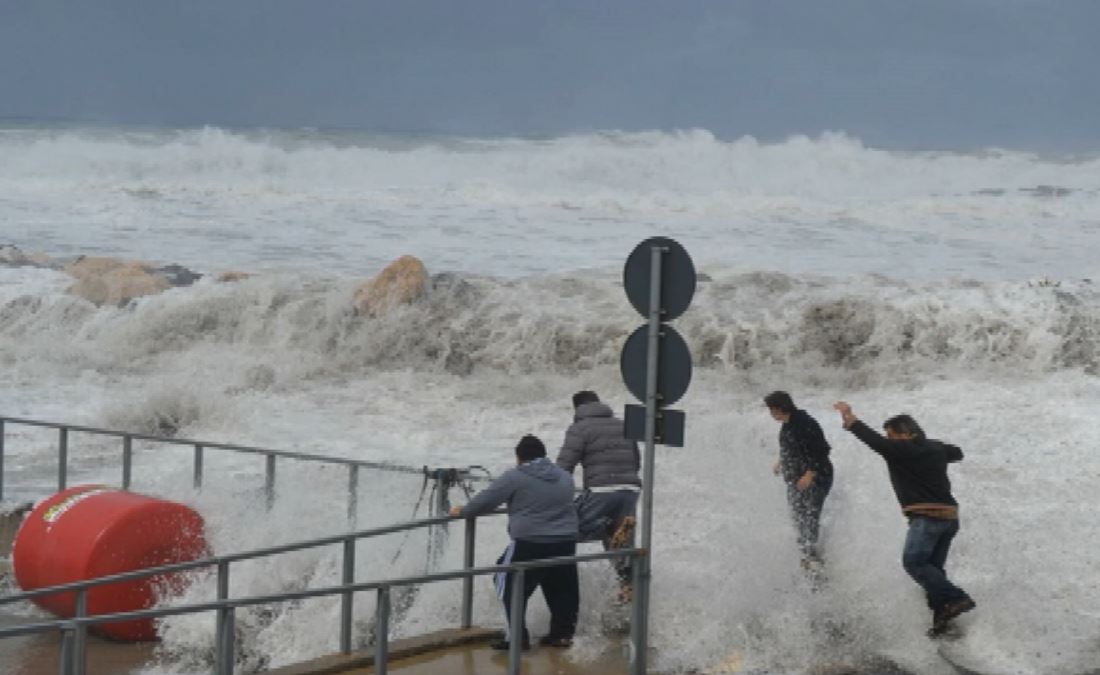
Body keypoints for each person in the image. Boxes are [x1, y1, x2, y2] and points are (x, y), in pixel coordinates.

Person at [832, 401, 976, 636]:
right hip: (950, 518)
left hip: (927, 518)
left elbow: (875, 442)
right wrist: (929, 445)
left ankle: (957, 598)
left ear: (907, 433)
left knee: (914, 563)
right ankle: (943, 617)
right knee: (933, 571)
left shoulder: (900, 450)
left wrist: (852, 423)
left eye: (892, 435)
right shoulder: (935, 448)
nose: (889, 439)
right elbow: (957, 452)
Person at [450, 434, 579, 650]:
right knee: (562, 587)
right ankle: (562, 635)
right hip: (565, 541)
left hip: (530, 542)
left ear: (519, 458)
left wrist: (463, 511)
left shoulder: (516, 476)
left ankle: (517, 638)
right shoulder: (565, 477)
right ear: (543, 455)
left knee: (507, 579)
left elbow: (486, 500)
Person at [556, 390, 640, 599]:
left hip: (601, 490)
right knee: (621, 544)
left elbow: (563, 468)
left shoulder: (579, 428)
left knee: (566, 529)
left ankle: (603, 527)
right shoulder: (623, 425)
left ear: (577, 408)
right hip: (630, 490)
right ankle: (628, 585)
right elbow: (637, 461)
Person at [764, 391, 833, 569]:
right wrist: (781, 462)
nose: (771, 414)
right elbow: (791, 448)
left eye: (772, 410)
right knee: (798, 517)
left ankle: (812, 558)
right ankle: (806, 555)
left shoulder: (804, 423)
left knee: (809, 516)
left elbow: (822, 449)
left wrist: (810, 473)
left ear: (780, 408)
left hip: (816, 478)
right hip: (796, 479)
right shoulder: (787, 425)